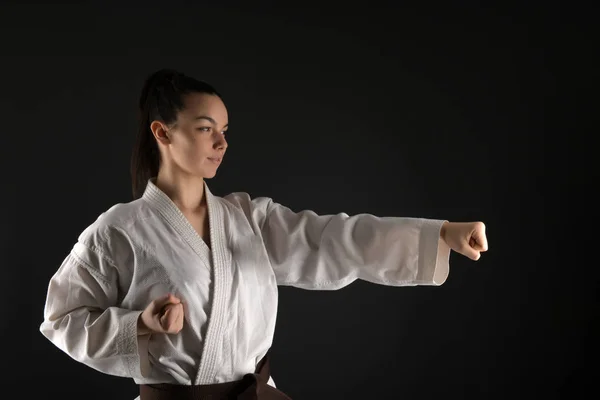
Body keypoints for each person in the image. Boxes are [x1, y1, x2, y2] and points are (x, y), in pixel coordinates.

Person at [39, 69, 489, 400]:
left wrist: (440, 234)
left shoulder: (246, 218)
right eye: (205, 129)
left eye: (224, 130)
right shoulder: (119, 229)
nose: (221, 142)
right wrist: (139, 324)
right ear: (162, 132)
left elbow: (331, 238)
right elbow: (62, 319)